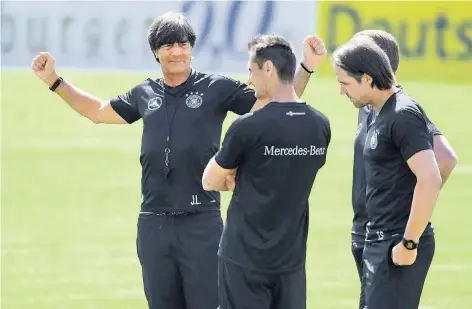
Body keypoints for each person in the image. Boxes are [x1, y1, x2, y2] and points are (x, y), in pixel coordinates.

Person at [30, 11, 326, 309]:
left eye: (183, 44)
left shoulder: (217, 88)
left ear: (192, 48)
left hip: (201, 223)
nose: (177, 52)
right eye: (168, 45)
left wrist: (305, 68)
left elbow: (274, 101)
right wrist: (55, 81)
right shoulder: (144, 93)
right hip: (153, 223)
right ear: (156, 53)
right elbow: (97, 111)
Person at [202, 34, 330, 309]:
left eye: (251, 70)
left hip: (244, 259)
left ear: (268, 68)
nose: (249, 79)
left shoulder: (248, 127)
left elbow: (209, 181)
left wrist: (236, 176)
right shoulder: (320, 125)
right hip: (291, 262)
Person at [347, 30, 457, 309]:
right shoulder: (368, 104)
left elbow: (444, 158)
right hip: (368, 233)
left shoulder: (400, 110)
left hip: (388, 236)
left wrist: (408, 212)